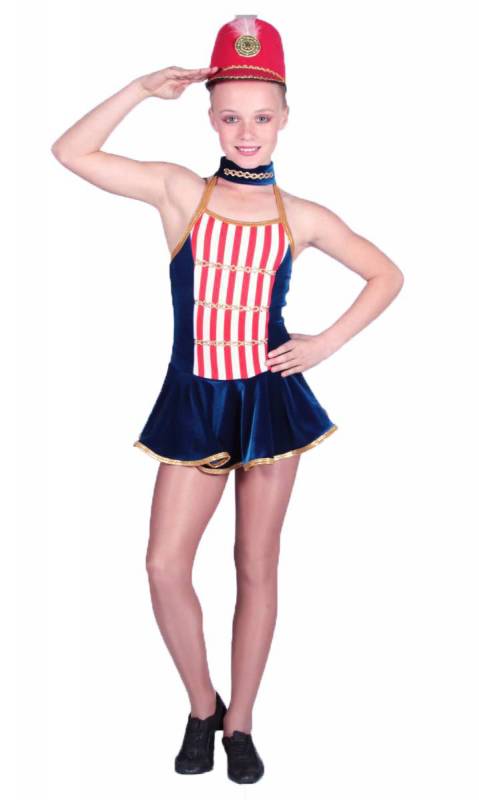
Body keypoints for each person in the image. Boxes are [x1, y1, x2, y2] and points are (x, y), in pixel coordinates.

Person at [51, 14, 404, 785]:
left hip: (270, 405)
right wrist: (139, 90)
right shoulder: (181, 192)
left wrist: (323, 343)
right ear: (211, 117)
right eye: (232, 117)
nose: (247, 132)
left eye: (262, 117)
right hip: (194, 401)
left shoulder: (301, 215)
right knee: (163, 566)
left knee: (255, 566)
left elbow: (386, 275)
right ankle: (201, 705)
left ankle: (240, 722)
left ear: (285, 118)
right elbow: (71, 153)